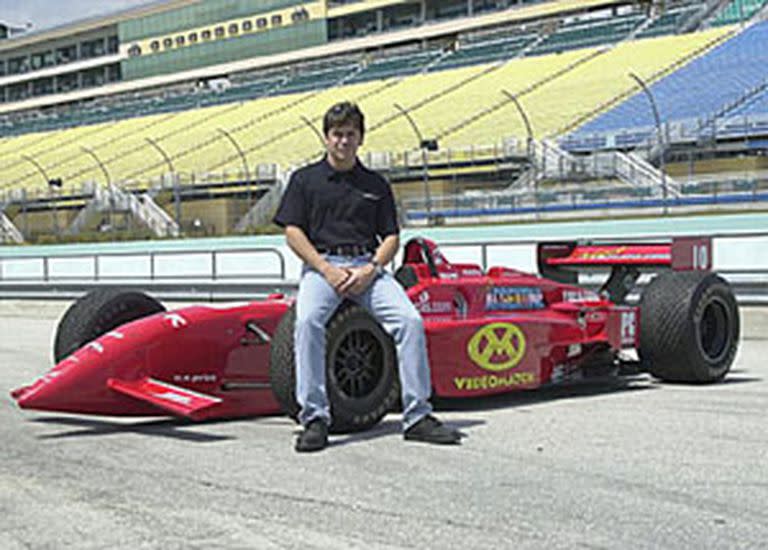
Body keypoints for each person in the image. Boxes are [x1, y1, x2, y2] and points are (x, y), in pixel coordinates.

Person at [273, 101, 461, 452]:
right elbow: (292, 233)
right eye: (337, 134)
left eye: (350, 134)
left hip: (366, 267)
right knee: (308, 322)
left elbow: (391, 237)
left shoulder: (375, 184)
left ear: (360, 138)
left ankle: (418, 416)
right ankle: (314, 418)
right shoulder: (304, 180)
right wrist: (326, 270)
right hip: (322, 267)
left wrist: (371, 269)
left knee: (410, 321)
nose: (343, 141)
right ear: (326, 138)